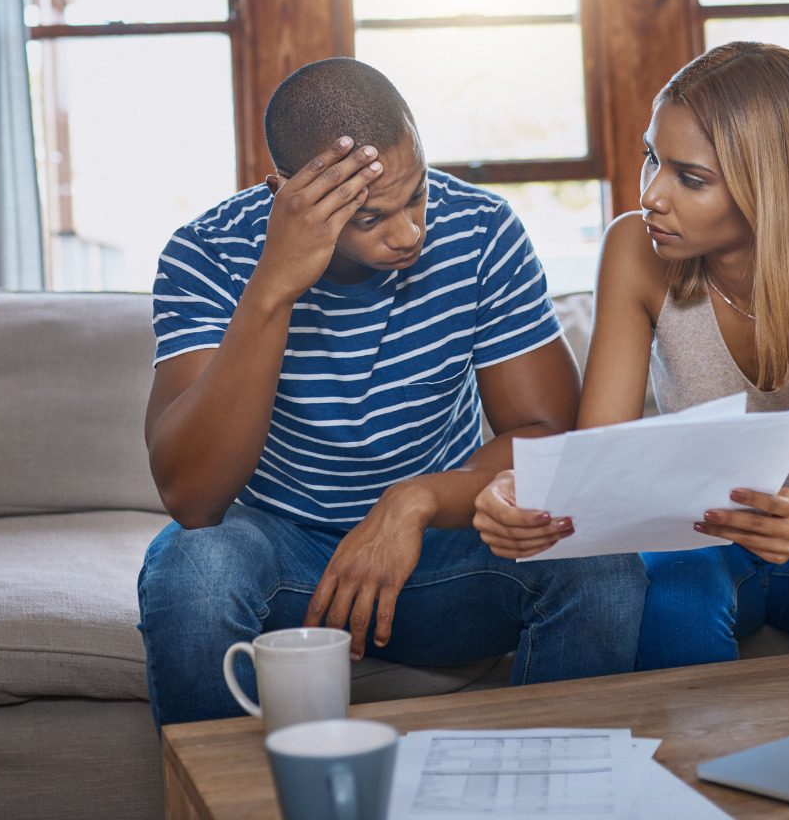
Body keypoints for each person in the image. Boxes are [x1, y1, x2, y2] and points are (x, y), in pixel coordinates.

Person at [136, 57, 647, 727]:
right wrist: (273, 287)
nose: (410, 233)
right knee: (189, 572)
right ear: (289, 193)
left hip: (440, 546)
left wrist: (415, 501)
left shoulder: (482, 230)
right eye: (372, 216)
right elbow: (192, 498)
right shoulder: (206, 254)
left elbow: (550, 438)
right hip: (287, 551)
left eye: (416, 194)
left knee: (600, 562)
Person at [474, 41, 789, 667]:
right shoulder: (632, 248)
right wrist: (527, 493)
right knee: (674, 599)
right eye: (651, 158)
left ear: (766, 182)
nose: (651, 194)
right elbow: (601, 461)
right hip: (700, 540)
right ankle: (697, 767)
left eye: (689, 178)